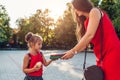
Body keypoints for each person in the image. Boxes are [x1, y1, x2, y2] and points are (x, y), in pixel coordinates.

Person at [61, 0, 120, 80]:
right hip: (101, 56)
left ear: (80, 6)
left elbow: (89, 35)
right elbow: (85, 43)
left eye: (74, 8)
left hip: (112, 52)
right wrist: (70, 53)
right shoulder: (86, 22)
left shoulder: (94, 11)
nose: (74, 11)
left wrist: (73, 51)